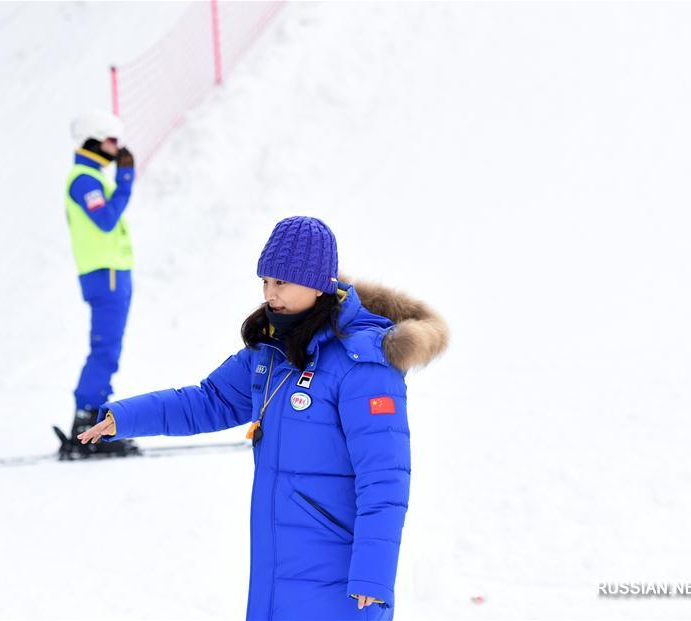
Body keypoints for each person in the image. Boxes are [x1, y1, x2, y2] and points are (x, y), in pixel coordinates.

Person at [79, 216, 449, 619]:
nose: (270, 295)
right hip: (278, 565)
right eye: (266, 282)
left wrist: (373, 575)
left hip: (340, 574)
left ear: (318, 283)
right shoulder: (273, 350)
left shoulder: (363, 363)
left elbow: (385, 478)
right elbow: (209, 400)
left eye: (282, 283)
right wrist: (125, 416)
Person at [57, 109, 140, 460]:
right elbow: (105, 219)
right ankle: (87, 424)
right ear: (92, 139)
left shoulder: (90, 177)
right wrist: (125, 180)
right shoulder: (84, 179)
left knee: (109, 348)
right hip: (105, 273)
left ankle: (92, 421)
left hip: (111, 272)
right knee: (105, 350)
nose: (117, 147)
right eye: (111, 140)